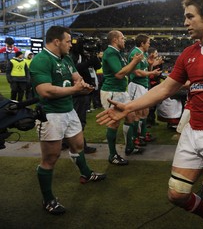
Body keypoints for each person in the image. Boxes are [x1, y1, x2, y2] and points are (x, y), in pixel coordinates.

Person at [97, 0, 203, 228]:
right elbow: (165, 88)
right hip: (193, 132)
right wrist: (128, 107)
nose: (185, 22)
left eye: (189, 16)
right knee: (176, 194)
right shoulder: (188, 54)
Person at [29, 26, 106, 215]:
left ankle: (86, 174)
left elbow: (77, 78)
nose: (69, 45)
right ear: (56, 41)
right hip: (50, 114)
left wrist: (83, 85)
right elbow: (45, 90)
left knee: (78, 145)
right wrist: (75, 90)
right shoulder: (41, 60)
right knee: (50, 158)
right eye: (67, 41)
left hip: (68, 110)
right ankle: (48, 200)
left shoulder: (66, 59)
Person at [100, 30, 144, 165]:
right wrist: (135, 61)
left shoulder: (118, 53)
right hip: (112, 92)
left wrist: (134, 63)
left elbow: (127, 70)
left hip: (120, 91)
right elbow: (119, 74)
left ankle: (129, 146)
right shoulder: (110, 53)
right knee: (113, 122)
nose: (124, 41)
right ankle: (112, 155)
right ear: (115, 40)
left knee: (130, 116)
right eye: (122, 38)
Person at [127, 34, 162, 147]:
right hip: (136, 85)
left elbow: (146, 70)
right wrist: (152, 72)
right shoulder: (135, 53)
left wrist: (151, 65)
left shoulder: (144, 54)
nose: (149, 45)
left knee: (145, 111)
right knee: (137, 112)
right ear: (142, 43)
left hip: (143, 85)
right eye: (148, 43)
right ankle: (135, 137)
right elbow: (137, 73)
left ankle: (142, 134)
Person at [71, 45, 102, 154]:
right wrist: (88, 62)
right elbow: (74, 68)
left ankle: (68, 142)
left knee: (79, 119)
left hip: (86, 91)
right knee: (79, 120)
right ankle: (81, 145)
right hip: (79, 92)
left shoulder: (85, 56)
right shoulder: (74, 56)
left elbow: (97, 66)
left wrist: (94, 57)